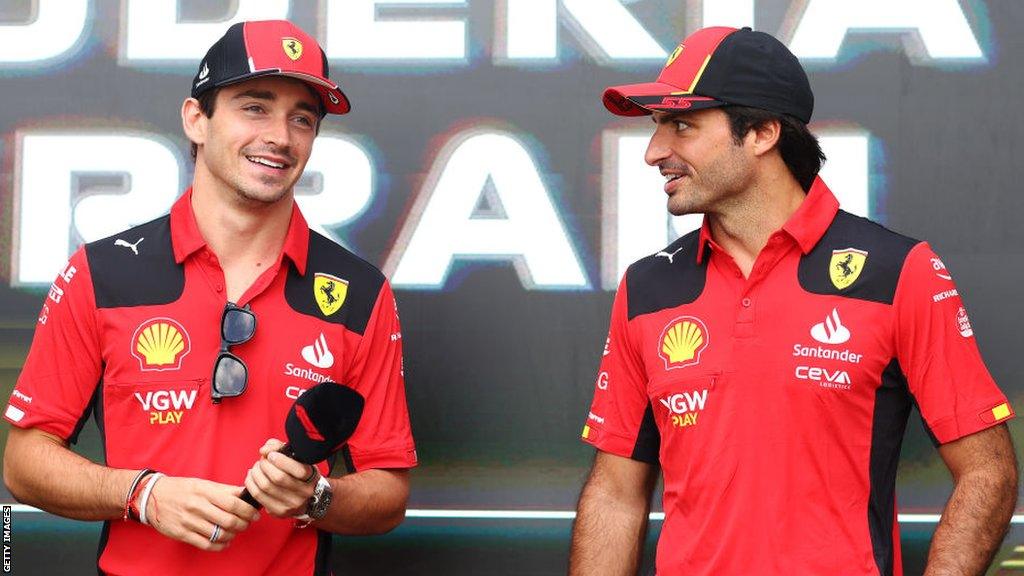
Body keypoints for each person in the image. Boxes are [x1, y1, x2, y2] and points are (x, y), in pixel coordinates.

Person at [571, 26, 1017, 576]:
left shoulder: (899, 271)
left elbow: (987, 472)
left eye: (681, 126)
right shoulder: (647, 287)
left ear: (761, 133)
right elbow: (616, 495)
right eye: (658, 127)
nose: (654, 152)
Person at [2, 20, 416, 575]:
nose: (280, 136)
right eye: (255, 107)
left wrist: (315, 498)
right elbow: (24, 463)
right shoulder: (101, 274)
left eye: (302, 119)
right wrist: (145, 495)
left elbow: (388, 492)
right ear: (197, 119)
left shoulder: (360, 294)